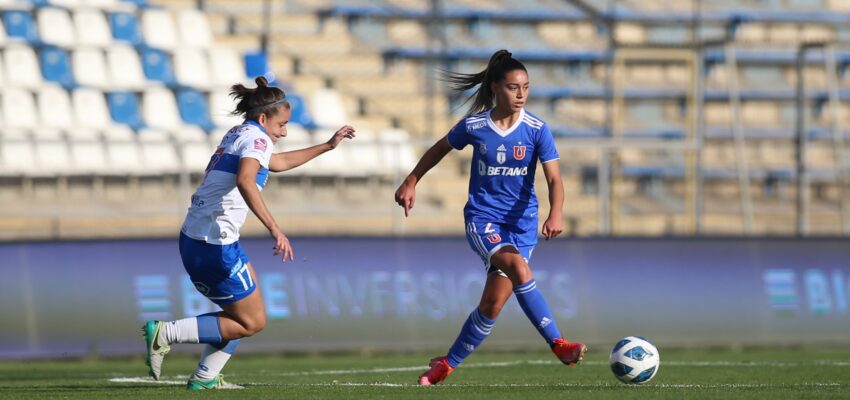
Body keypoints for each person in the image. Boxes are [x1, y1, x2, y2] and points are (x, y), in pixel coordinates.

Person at [142, 76, 355, 390]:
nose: (284, 132)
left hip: (202, 237)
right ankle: (166, 333)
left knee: (242, 313)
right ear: (264, 118)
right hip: (213, 243)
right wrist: (275, 229)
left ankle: (205, 379)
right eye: (282, 125)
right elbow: (245, 180)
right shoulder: (257, 139)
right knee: (251, 322)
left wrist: (327, 146)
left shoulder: (244, 132)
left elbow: (276, 163)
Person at [394, 50, 587, 386]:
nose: (522, 94)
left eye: (526, 87)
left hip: (523, 225)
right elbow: (440, 147)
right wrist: (412, 180)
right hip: (484, 219)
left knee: (492, 305)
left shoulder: (537, 129)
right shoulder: (475, 126)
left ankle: (445, 364)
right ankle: (558, 344)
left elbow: (555, 179)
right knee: (519, 268)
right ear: (496, 88)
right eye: (514, 88)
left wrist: (556, 212)